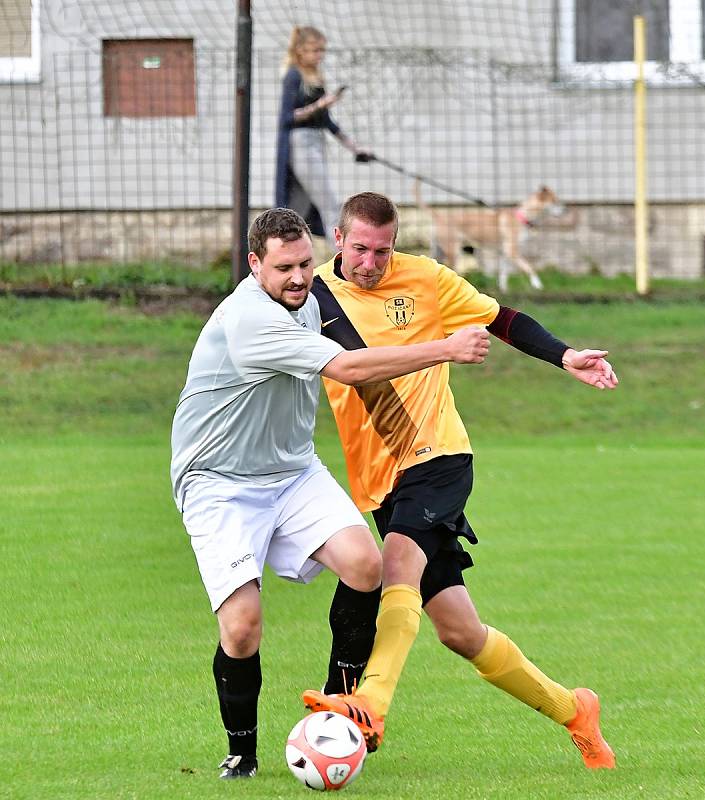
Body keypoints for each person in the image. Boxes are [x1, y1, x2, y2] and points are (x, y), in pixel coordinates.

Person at [169, 207, 489, 779]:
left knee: (367, 566)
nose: (297, 277)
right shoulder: (249, 320)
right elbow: (347, 368)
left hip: (292, 471)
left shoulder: (311, 300)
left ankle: (337, 702)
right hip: (219, 482)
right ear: (254, 265)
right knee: (242, 627)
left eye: (304, 264)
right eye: (283, 268)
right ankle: (241, 750)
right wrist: (444, 348)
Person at [302, 192, 618, 769]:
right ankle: (574, 710)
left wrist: (565, 354)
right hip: (381, 476)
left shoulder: (425, 279)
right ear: (340, 241)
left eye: (383, 250)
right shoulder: (312, 295)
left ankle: (367, 703)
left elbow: (500, 319)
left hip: (439, 455)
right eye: (361, 249)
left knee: (395, 563)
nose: (372, 262)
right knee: (459, 631)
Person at [275, 26, 370, 250]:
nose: (320, 55)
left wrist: (355, 147)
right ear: (300, 50)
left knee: (296, 210)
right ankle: (344, 263)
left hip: (317, 142)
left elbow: (326, 120)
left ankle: (285, 256)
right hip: (300, 144)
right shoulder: (293, 75)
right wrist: (320, 104)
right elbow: (287, 117)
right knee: (330, 206)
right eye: (314, 50)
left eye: (322, 50)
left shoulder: (316, 76)